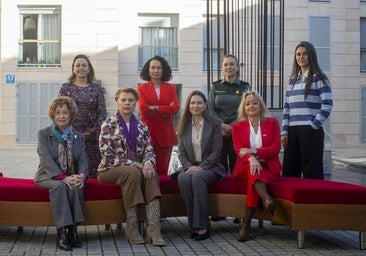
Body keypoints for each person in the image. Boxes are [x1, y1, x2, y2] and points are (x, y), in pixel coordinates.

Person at [97, 87, 165, 246]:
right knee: (133, 172)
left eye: (131, 100)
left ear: (136, 103)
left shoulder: (141, 125)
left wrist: (148, 163)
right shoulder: (108, 124)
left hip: (137, 169)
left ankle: (153, 227)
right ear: (117, 102)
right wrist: (136, 164)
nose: (127, 103)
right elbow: (108, 156)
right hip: (109, 170)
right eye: (123, 100)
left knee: (151, 173)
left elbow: (149, 149)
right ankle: (132, 225)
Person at [35, 96, 88, 251]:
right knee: (59, 186)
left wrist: (81, 176)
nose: (61, 116)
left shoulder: (78, 136)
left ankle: (73, 231)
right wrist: (63, 178)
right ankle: (61, 233)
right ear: (53, 114)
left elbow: (83, 160)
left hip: (70, 175)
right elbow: (46, 160)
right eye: (58, 112)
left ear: (70, 115)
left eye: (65, 112)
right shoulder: (44, 134)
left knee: (76, 186)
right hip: (47, 176)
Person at [232, 91, 282, 242]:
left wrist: (254, 151)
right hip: (245, 166)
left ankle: (246, 225)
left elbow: (276, 148)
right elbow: (238, 150)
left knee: (253, 179)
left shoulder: (272, 122)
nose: (251, 106)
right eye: (247, 104)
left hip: (269, 168)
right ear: (243, 107)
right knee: (252, 169)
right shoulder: (237, 126)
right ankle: (266, 198)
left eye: (254, 103)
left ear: (260, 105)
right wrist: (252, 159)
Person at [176, 90, 226, 241]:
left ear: (205, 105)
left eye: (199, 103)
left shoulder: (215, 123)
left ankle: (203, 226)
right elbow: (182, 153)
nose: (195, 106)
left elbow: (217, 151)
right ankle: (194, 225)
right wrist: (188, 166)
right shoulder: (183, 125)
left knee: (198, 178)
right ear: (188, 105)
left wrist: (202, 166)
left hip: (211, 167)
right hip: (191, 166)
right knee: (183, 179)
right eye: (192, 103)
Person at [208, 54, 251, 222]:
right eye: (225, 64)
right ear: (222, 67)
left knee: (237, 169)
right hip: (218, 133)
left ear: (237, 67)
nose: (228, 67)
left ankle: (238, 210)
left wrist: (234, 126)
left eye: (231, 64)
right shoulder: (216, 87)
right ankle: (219, 210)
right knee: (219, 169)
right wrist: (222, 125)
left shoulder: (245, 87)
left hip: (238, 133)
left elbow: (247, 107)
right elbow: (210, 108)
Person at [281, 41, 333, 179]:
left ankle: (314, 200)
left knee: (312, 172)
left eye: (305, 54)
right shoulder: (292, 80)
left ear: (311, 56)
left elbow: (327, 104)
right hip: (292, 132)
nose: (301, 57)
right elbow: (287, 108)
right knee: (290, 172)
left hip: (310, 131)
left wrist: (313, 125)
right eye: (298, 54)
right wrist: (284, 132)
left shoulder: (319, 77)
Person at [59, 54, 107, 177]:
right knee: (71, 172)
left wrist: (91, 132)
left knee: (90, 174)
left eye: (84, 65)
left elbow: (102, 113)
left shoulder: (97, 89)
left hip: (92, 139)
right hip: (70, 137)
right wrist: (71, 132)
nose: (81, 68)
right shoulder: (66, 88)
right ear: (73, 68)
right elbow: (59, 111)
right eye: (78, 65)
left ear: (89, 68)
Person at [137, 55, 180, 175]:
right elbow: (143, 109)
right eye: (153, 68)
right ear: (148, 70)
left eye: (159, 68)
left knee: (162, 171)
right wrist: (166, 109)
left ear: (163, 70)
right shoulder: (141, 88)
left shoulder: (171, 88)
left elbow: (175, 108)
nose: (156, 71)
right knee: (147, 170)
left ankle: (163, 194)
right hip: (147, 134)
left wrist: (155, 108)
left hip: (166, 134)